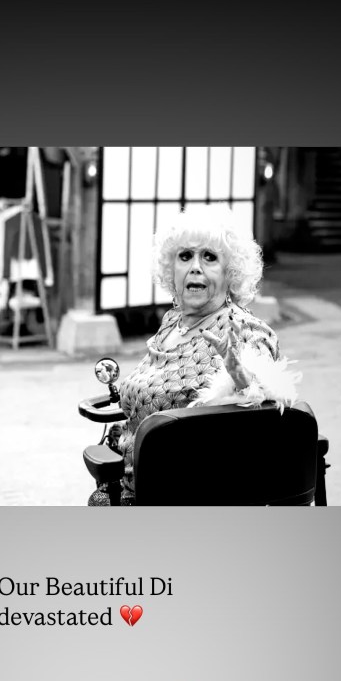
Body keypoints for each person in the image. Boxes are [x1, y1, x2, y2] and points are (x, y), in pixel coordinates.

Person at [108, 204, 301, 505]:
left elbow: (267, 402)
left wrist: (242, 377)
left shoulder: (244, 328)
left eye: (209, 257)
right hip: (134, 482)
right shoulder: (173, 321)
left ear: (230, 272)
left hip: (190, 496)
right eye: (185, 256)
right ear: (172, 268)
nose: (195, 266)